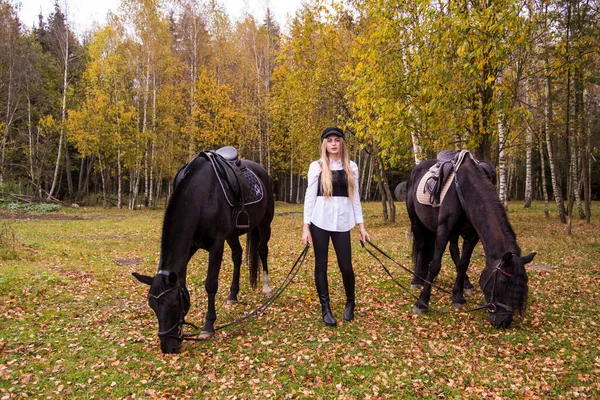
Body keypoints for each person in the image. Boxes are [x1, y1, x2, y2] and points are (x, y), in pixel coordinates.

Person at [302, 126, 370, 326]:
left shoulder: (352, 167)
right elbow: (309, 197)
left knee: (346, 267)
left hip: (342, 222)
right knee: (321, 266)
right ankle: (326, 308)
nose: (333, 144)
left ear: (342, 143)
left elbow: (355, 198)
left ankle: (350, 303)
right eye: (330, 140)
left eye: (337, 140)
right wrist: (306, 227)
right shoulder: (317, 166)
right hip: (320, 222)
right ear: (324, 144)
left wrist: (362, 226)